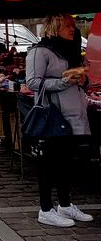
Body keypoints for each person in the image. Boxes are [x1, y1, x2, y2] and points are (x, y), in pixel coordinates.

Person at [25, 13, 93, 228]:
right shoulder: (40, 51)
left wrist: (83, 79)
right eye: (67, 26)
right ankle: (45, 209)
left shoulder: (73, 52)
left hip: (75, 113)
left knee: (66, 162)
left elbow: (84, 83)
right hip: (53, 114)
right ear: (54, 27)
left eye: (73, 25)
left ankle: (65, 204)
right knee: (49, 163)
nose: (72, 29)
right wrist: (64, 81)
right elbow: (33, 82)